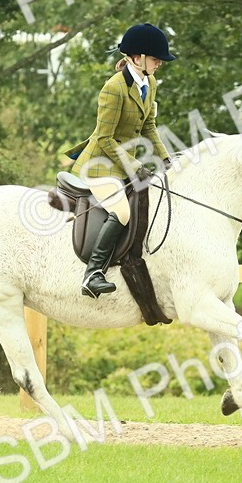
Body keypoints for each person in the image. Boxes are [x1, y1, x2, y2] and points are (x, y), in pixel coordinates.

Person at [60, 23, 176, 298]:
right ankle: (93, 273)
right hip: (99, 165)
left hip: (122, 164)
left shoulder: (150, 83)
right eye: (155, 59)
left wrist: (167, 159)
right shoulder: (113, 88)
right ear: (137, 58)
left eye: (159, 60)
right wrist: (135, 167)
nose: (159, 64)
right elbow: (104, 138)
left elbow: (149, 128)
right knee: (122, 212)